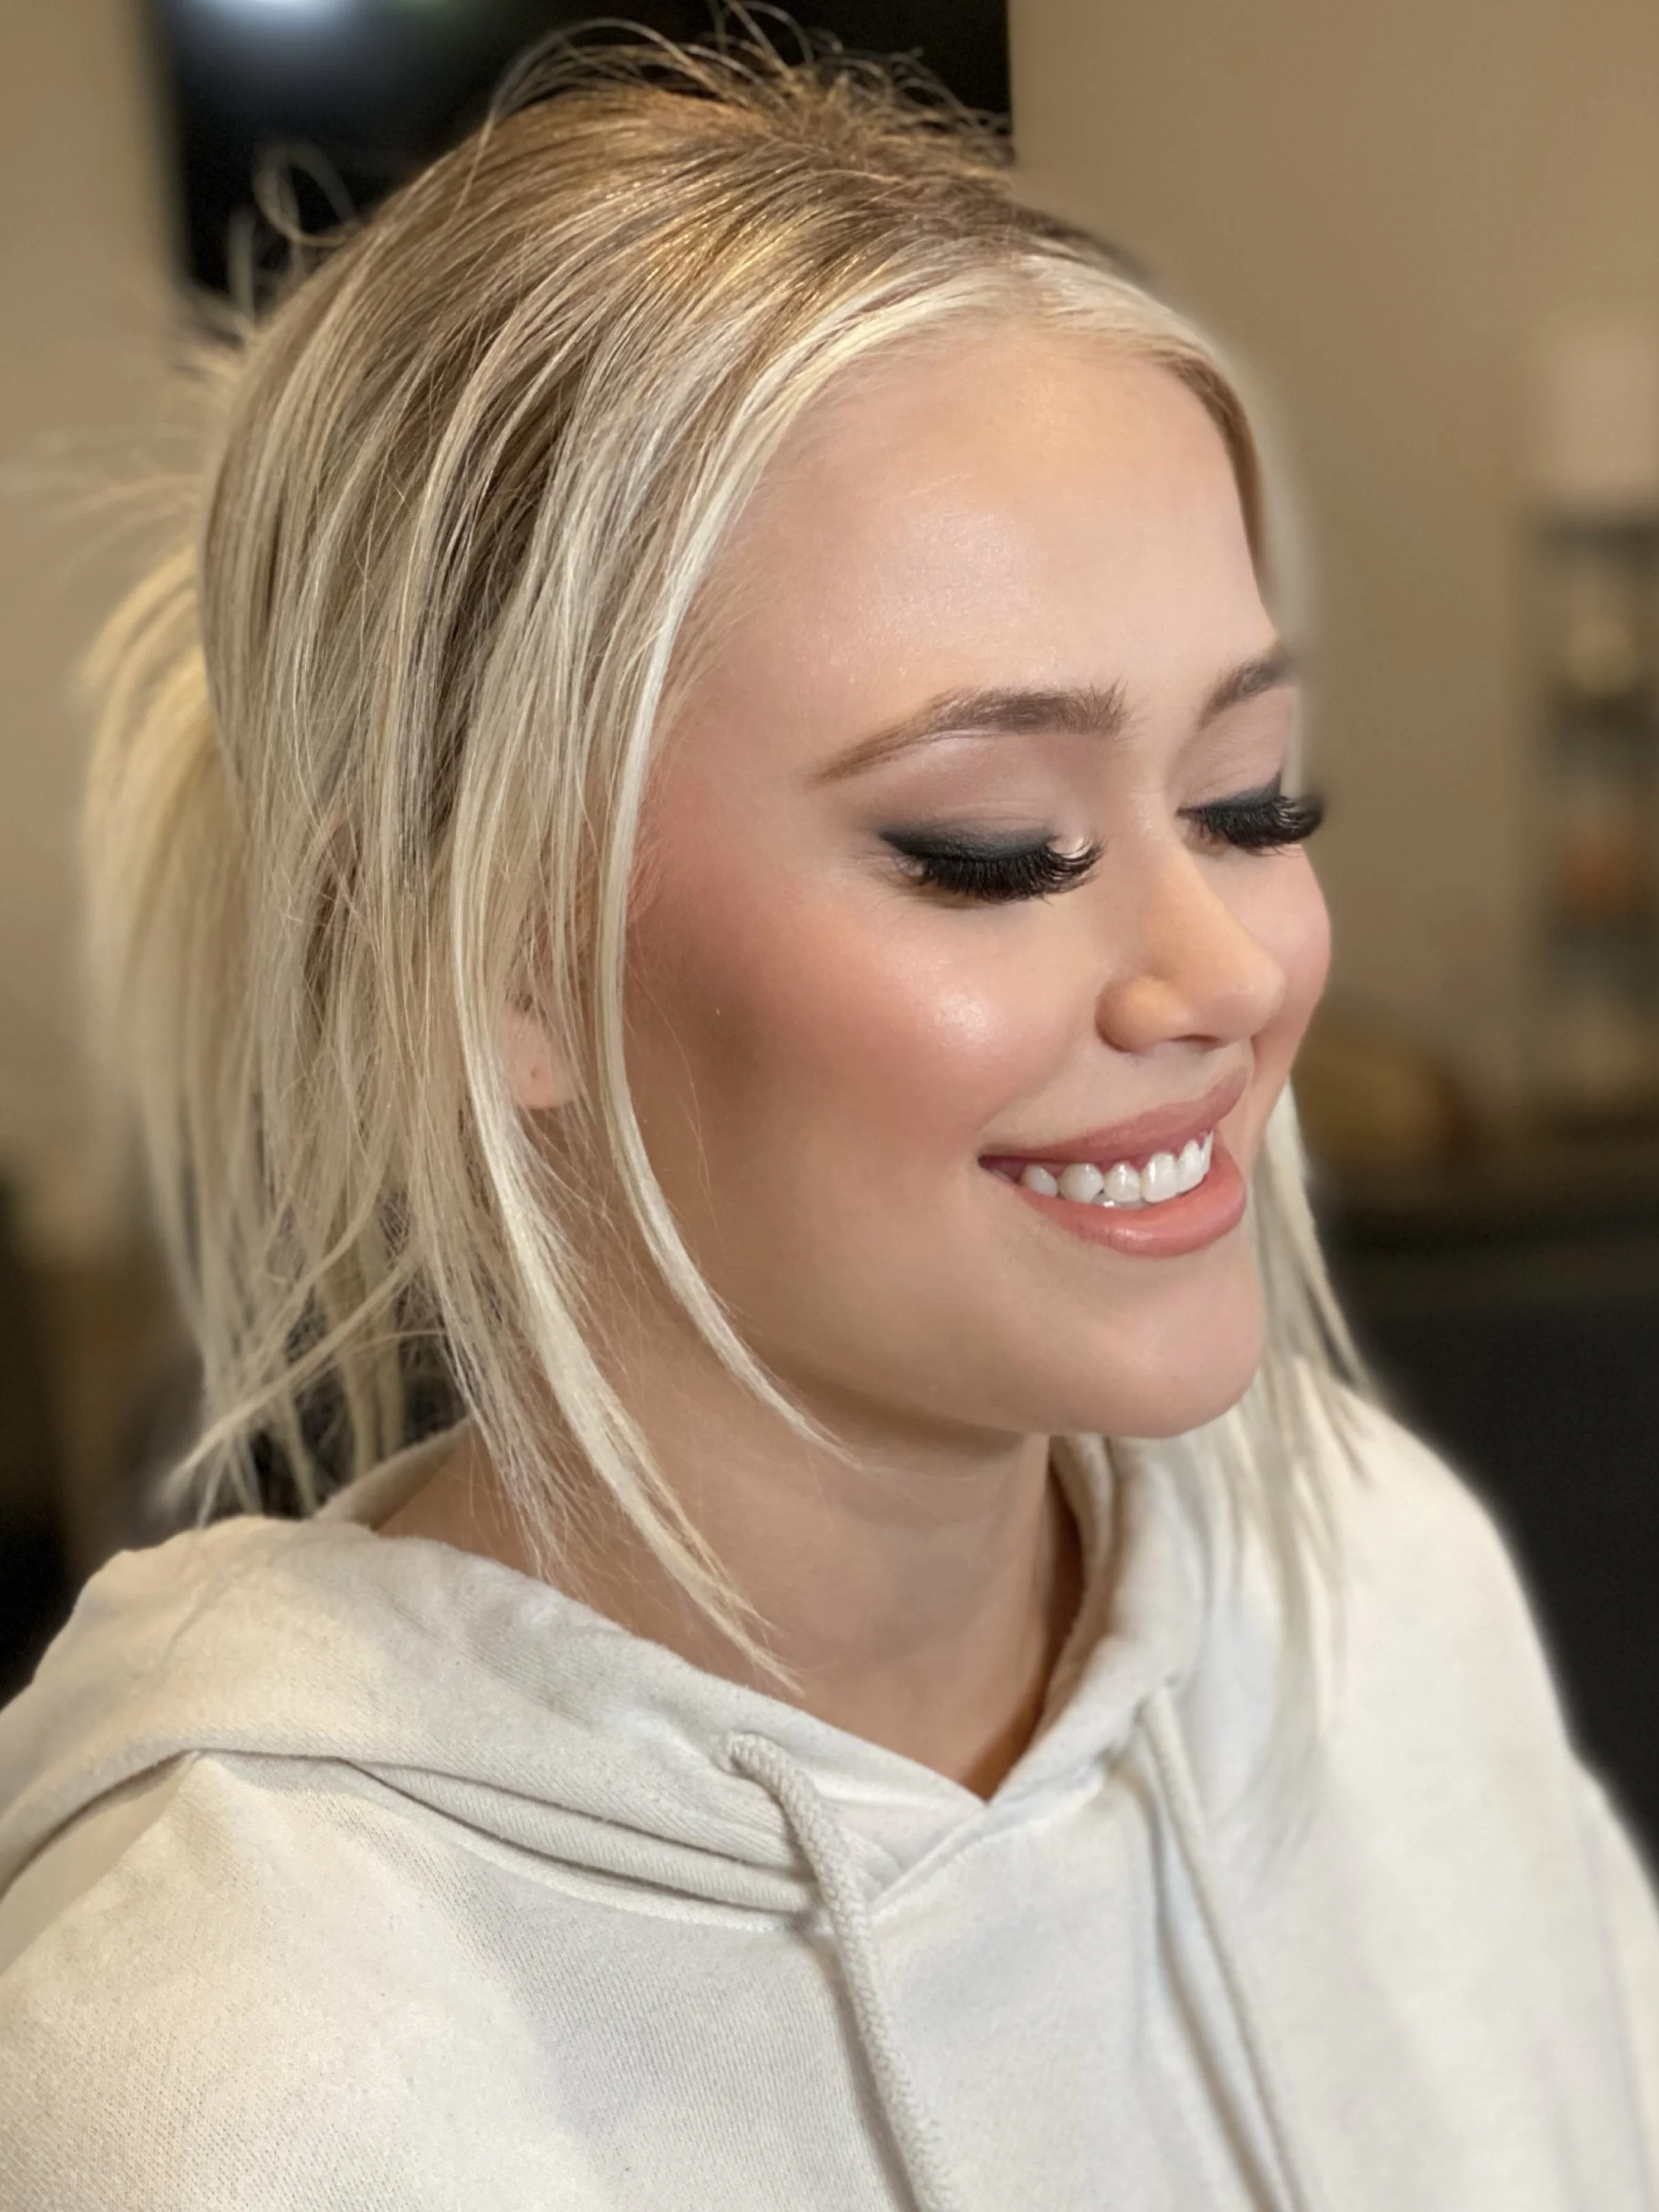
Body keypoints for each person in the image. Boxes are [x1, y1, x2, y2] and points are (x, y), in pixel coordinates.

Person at [1, 22, 1655, 2209]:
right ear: (487, 957)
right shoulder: (231, 2066)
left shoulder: (1384, 1592)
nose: (1236, 970)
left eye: (1252, 800)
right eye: (996, 846)